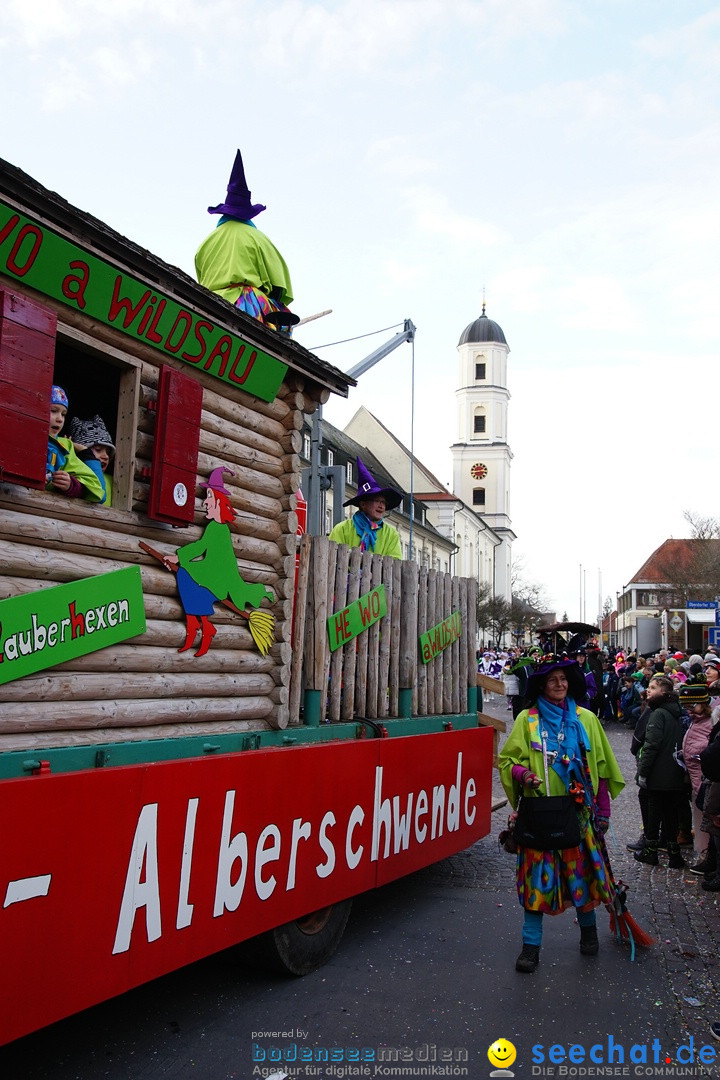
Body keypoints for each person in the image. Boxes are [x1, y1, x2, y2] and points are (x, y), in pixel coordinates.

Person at [498, 655, 624, 973]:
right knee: (535, 884)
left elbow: (604, 768)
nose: (560, 684)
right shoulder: (527, 720)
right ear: (541, 685)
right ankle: (530, 948)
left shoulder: (587, 720)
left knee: (582, 879)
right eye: (552, 680)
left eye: (564, 679)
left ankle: (589, 934)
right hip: (539, 815)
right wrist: (524, 776)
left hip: (580, 817)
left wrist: (604, 812)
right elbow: (506, 761)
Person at [163, 467, 275, 657]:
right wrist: (180, 559)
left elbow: (201, 547)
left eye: (208, 497)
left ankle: (200, 628)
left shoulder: (218, 528)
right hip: (212, 574)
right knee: (186, 576)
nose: (205, 502)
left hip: (218, 579)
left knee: (184, 574)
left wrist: (178, 558)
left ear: (217, 501)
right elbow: (202, 548)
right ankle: (202, 628)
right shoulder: (216, 527)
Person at [195, 149, 297, 332]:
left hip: (208, 306)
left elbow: (201, 279)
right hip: (247, 306)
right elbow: (280, 286)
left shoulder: (205, 243)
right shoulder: (258, 238)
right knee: (282, 322)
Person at [633, 675, 687, 868]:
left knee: (654, 813)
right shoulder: (675, 712)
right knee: (671, 814)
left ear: (664, 692)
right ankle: (674, 854)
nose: (649, 690)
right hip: (673, 772)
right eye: (649, 686)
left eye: (653, 687)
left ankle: (650, 852)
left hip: (658, 773)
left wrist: (643, 772)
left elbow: (651, 746)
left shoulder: (658, 714)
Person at [329, 457, 402, 558]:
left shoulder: (391, 534)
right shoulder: (342, 529)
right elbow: (332, 557)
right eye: (377, 501)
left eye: (384, 503)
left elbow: (395, 564)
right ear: (363, 504)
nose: (381, 506)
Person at [46, 385, 105, 503]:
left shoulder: (64, 446)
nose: (60, 419)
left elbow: (98, 491)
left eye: (63, 414)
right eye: (53, 411)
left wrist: (71, 485)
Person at [679, 682, 714, 873]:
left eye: (691, 706)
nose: (688, 710)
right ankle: (703, 853)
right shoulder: (695, 721)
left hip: (704, 778)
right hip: (695, 778)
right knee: (700, 818)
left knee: (708, 821)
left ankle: (707, 855)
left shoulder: (709, 722)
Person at [68, 415, 115, 506]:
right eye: (98, 450)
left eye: (108, 452)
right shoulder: (72, 473)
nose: (106, 456)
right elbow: (99, 496)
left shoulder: (113, 481)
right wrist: (86, 454)